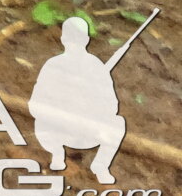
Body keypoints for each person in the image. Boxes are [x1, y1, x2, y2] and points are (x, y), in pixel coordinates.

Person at [29, 15, 128, 182]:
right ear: (64, 38)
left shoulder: (96, 68)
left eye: (78, 37)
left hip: (85, 131)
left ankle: (101, 165)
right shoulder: (53, 65)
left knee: (118, 123)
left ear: (86, 39)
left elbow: (112, 106)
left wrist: (91, 102)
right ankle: (57, 154)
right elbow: (35, 104)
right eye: (71, 37)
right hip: (55, 129)